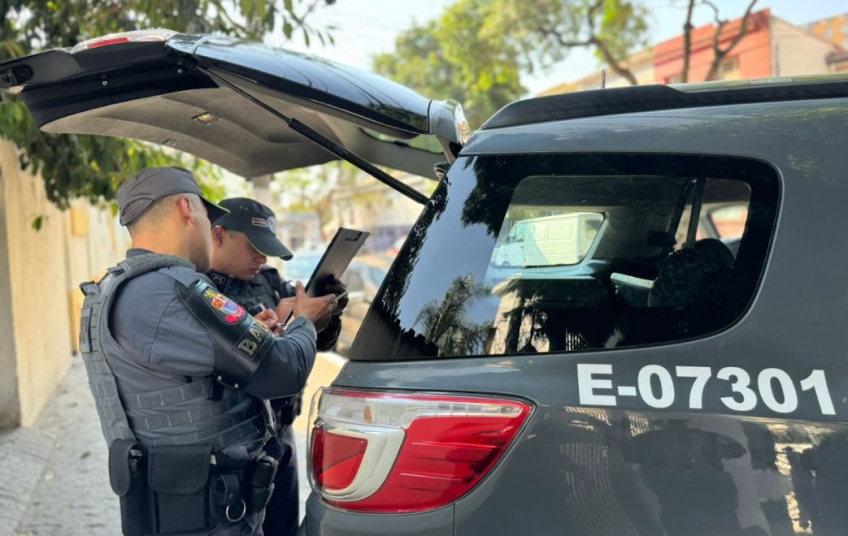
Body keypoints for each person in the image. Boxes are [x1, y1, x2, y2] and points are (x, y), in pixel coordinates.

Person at [78, 167, 336, 536]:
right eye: (205, 213)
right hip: (211, 514)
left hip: (175, 505)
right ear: (187, 208)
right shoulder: (174, 289)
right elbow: (283, 370)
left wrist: (249, 334)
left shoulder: (114, 289)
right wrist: (305, 321)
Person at [207, 197, 348, 536]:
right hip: (235, 446)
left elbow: (319, 344)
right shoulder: (199, 291)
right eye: (253, 247)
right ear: (219, 235)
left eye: (266, 249)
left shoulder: (269, 281)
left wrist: (327, 314)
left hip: (281, 434)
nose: (262, 257)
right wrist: (267, 335)